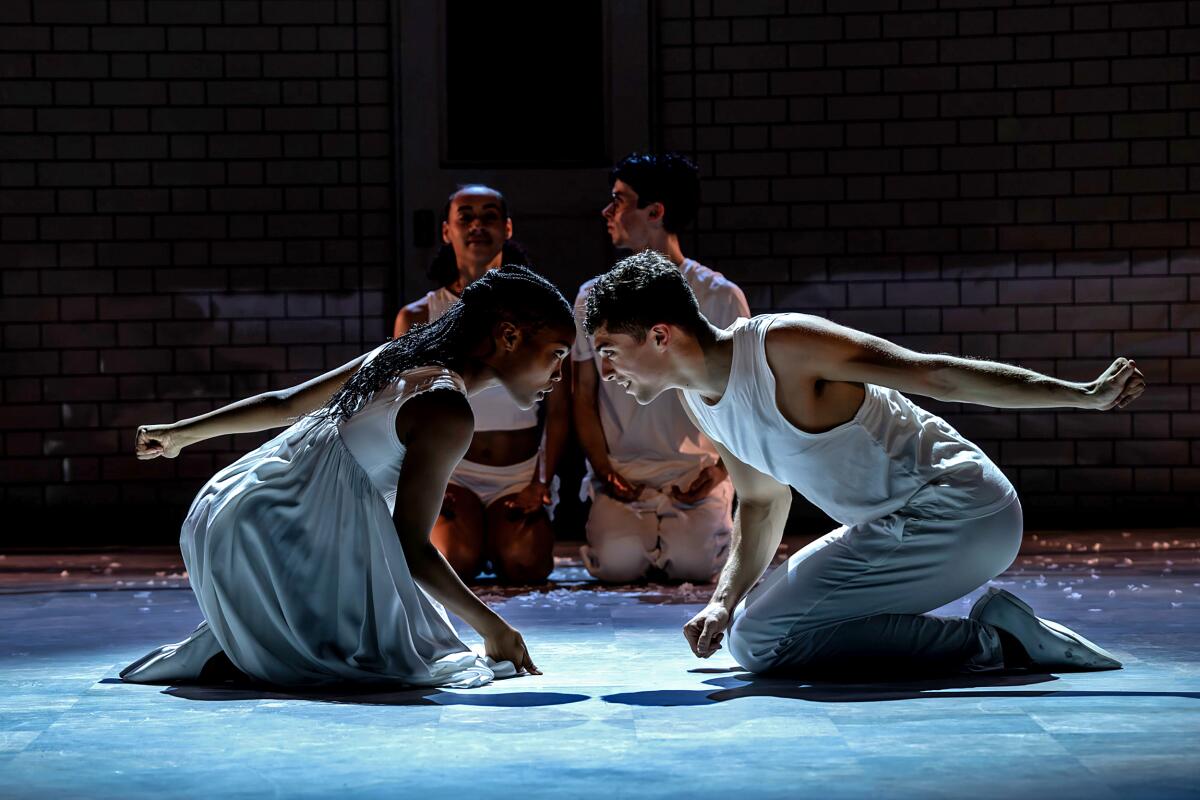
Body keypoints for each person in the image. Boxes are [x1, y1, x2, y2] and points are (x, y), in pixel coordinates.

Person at [583, 251, 1145, 676]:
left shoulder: (782, 346)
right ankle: (1001, 632)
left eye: (609, 351)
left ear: (660, 335)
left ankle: (999, 645)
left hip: (961, 511)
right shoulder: (697, 398)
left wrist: (1082, 395)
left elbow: (934, 374)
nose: (605, 372)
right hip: (890, 528)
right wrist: (722, 603)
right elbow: (761, 499)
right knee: (752, 632)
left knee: (760, 642)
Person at [122, 265, 575, 688]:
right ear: (509, 337)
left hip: (234, 506)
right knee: (391, 650)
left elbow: (283, 404)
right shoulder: (445, 410)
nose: (559, 374)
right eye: (556, 355)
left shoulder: (400, 357)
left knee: (390, 618)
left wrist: (181, 434)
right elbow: (412, 547)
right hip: (274, 536)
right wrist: (493, 627)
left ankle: (257, 646)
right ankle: (256, 655)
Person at [572, 153, 749, 583]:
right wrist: (602, 467)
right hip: (624, 472)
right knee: (617, 565)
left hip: (694, 471)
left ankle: (707, 519)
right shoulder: (592, 297)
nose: (607, 212)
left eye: (619, 201)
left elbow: (746, 397)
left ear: (655, 211)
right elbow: (582, 393)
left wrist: (721, 469)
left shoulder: (720, 296)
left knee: (693, 564)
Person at [394, 185, 569, 585]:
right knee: (453, 562)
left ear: (507, 228)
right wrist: (424, 478)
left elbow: (559, 408)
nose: (477, 225)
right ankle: (472, 534)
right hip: (455, 472)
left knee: (525, 566)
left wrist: (540, 482)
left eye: (489, 216)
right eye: (466, 216)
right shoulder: (419, 315)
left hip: (518, 473)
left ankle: (498, 536)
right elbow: (401, 406)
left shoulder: (539, 311)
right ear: (446, 231)